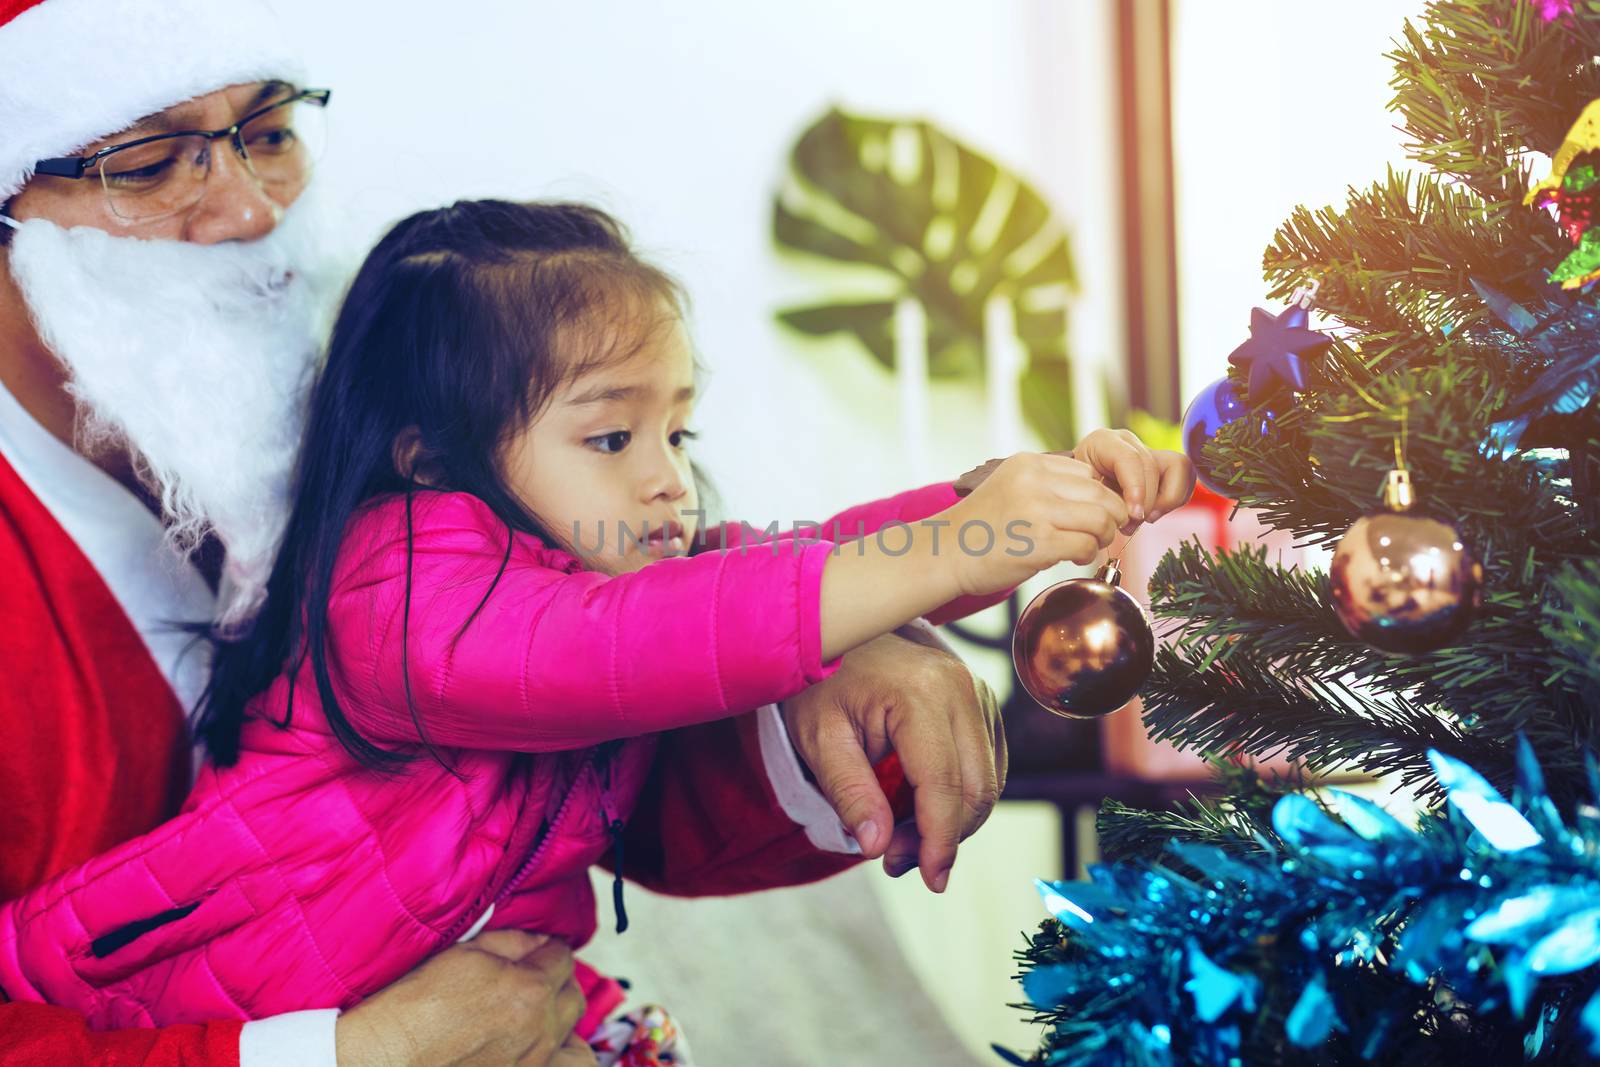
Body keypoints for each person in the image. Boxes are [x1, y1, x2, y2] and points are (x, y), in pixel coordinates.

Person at [0, 1, 1042, 1063]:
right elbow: (599, 643)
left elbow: (590, 739)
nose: (247, 208)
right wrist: (343, 1053)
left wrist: (837, 649)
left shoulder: (370, 405)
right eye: (145, 162)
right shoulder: (405, 521)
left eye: (268, 133)